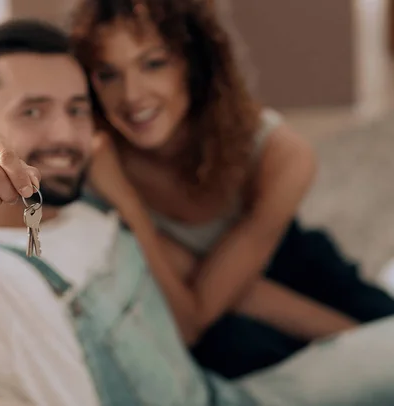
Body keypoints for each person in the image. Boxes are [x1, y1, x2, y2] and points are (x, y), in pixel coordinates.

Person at [0, 19, 394, 406]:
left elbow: (214, 292)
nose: (63, 134)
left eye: (77, 110)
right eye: (32, 110)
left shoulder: (80, 203)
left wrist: (343, 341)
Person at [71, 0, 394, 378]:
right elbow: (193, 321)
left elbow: (237, 292)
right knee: (240, 351)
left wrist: (362, 341)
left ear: (194, 62)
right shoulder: (101, 173)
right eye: (108, 74)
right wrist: (126, 200)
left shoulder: (280, 152)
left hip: (299, 268)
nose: (131, 95)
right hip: (214, 323)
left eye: (153, 64)